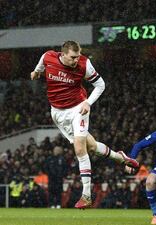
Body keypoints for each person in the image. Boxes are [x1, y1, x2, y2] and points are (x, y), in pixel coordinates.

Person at [30, 40, 139, 209]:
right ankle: (121, 157)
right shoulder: (48, 57)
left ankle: (86, 195)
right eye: (73, 57)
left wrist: (88, 102)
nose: (76, 60)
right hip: (57, 113)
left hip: (78, 108)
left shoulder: (84, 64)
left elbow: (100, 84)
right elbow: (39, 68)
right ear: (63, 54)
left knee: (80, 149)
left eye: (78, 56)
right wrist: (36, 73)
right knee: (92, 148)